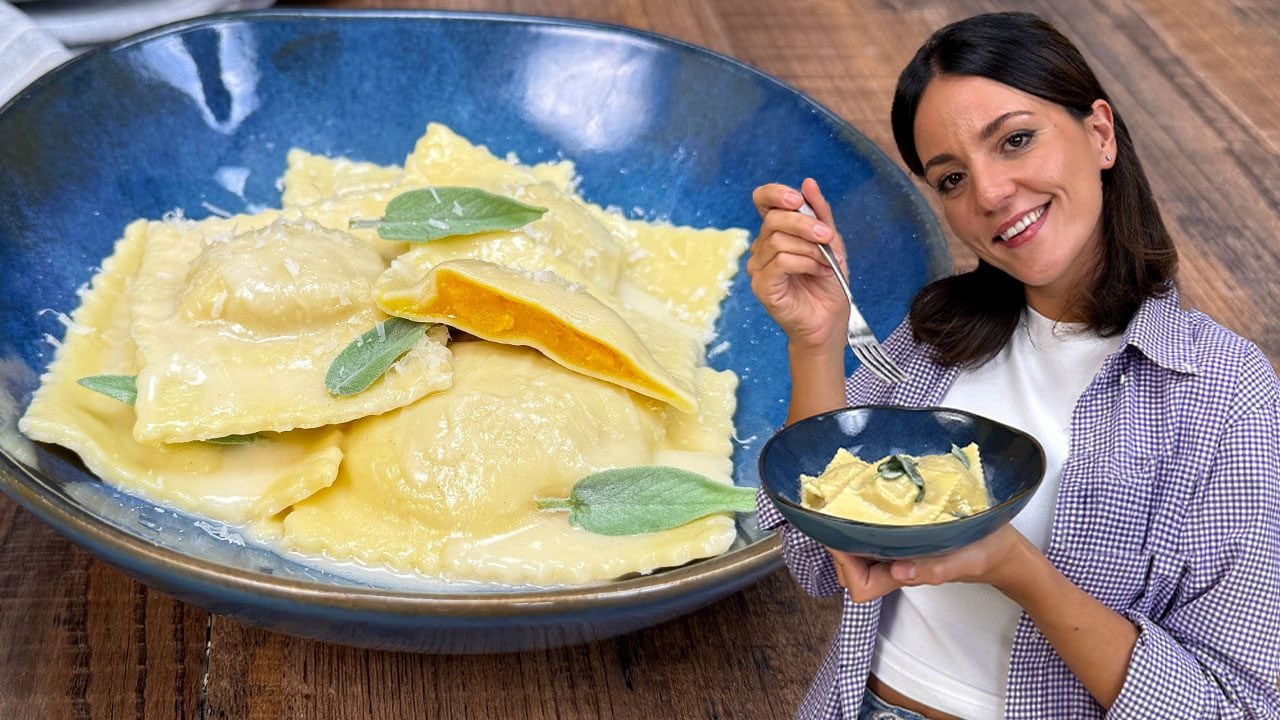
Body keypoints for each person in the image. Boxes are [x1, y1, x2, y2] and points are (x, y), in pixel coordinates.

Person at [747, 11, 1279, 720]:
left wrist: (1014, 568)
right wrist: (816, 341)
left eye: (1016, 140)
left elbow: (1235, 706)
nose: (990, 194)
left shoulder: (1224, 392)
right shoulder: (933, 340)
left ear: (1100, 133)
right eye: (952, 178)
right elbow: (816, 563)